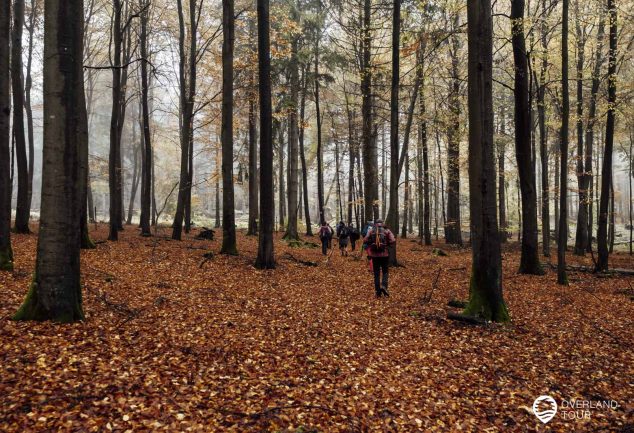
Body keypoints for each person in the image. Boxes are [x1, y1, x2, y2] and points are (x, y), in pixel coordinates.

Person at [363, 219, 396, 297]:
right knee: (385, 272)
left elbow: (365, 239)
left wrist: (371, 243)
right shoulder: (386, 230)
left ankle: (377, 292)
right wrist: (386, 244)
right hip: (385, 255)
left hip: (374, 255)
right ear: (382, 223)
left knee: (376, 274)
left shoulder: (371, 230)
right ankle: (384, 286)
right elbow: (393, 240)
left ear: (375, 223)